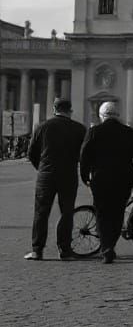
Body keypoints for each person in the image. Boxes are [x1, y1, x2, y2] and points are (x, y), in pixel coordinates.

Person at [79, 101, 133, 264]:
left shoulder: (94, 132)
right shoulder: (128, 132)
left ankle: (106, 247)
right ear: (117, 115)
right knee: (117, 213)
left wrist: (85, 176)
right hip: (123, 179)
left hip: (100, 180)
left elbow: (84, 156)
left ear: (101, 116)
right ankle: (110, 246)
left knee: (102, 213)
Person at [24, 97, 87, 261]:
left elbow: (31, 152)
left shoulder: (42, 127)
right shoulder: (79, 129)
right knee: (67, 213)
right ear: (70, 111)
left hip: (46, 175)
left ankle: (37, 250)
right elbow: (85, 154)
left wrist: (42, 168)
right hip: (68, 175)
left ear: (54, 109)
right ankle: (64, 250)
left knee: (41, 213)